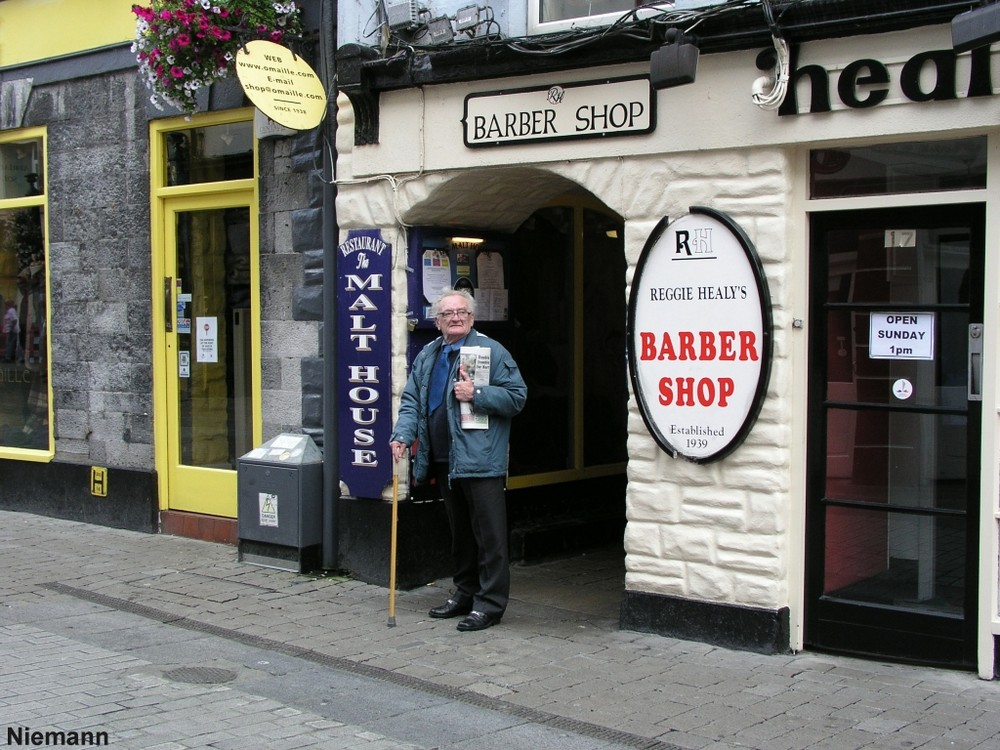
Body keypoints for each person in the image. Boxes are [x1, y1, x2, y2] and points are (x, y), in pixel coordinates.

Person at [390, 288, 527, 632]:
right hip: (444, 459)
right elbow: (411, 401)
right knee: (461, 534)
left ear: (472, 318)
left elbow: (517, 397)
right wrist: (402, 435)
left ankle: (490, 605)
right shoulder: (428, 355)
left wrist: (477, 394)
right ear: (436, 321)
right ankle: (465, 593)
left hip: (480, 460)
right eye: (447, 313)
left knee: (490, 536)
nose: (455, 318)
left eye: (461, 312)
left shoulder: (491, 351)